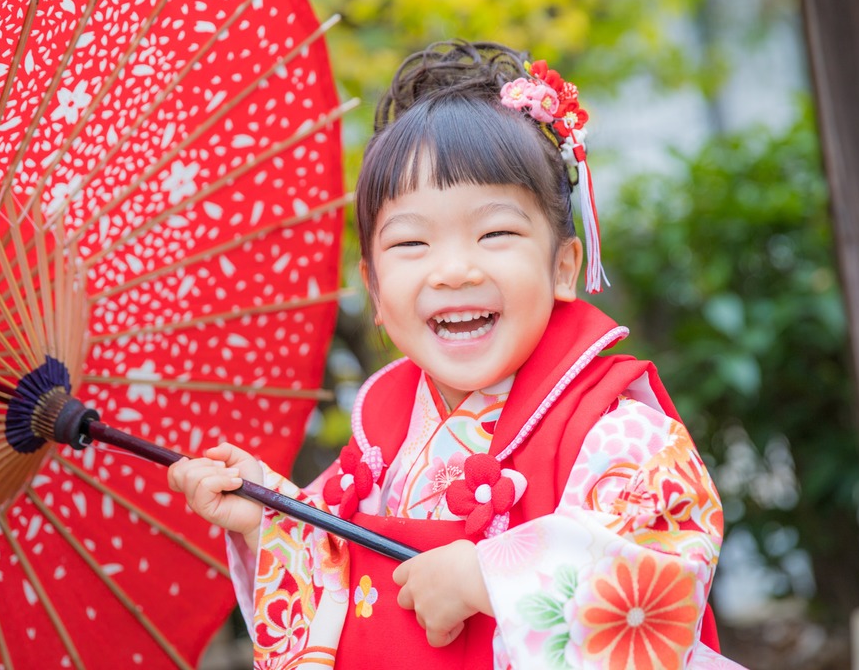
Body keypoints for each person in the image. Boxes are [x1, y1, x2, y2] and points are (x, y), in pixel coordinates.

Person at [169, 40, 744, 668]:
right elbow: (332, 565)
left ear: (563, 267)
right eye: (411, 242)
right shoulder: (380, 440)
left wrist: (490, 578)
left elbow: (661, 576)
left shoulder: (616, 430)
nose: (453, 270)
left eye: (495, 233)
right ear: (376, 292)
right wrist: (266, 517)